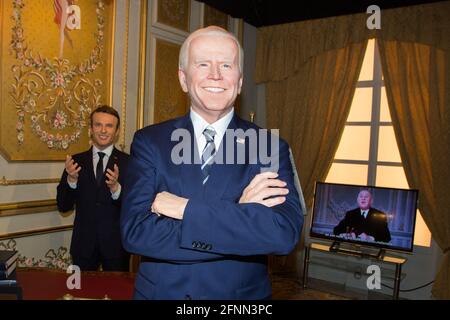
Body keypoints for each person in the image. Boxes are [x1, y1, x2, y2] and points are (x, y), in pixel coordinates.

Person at [120, 26, 303, 300]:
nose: (215, 74)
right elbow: (136, 233)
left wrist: (184, 209)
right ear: (183, 78)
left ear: (240, 82)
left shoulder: (269, 146)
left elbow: (283, 234)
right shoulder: (150, 142)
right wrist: (240, 213)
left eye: (226, 65)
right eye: (203, 63)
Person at [57, 105, 130, 271]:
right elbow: (63, 206)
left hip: (116, 247)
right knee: (80, 294)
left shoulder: (129, 163)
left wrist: (116, 189)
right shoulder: (75, 162)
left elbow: (134, 207)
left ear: (117, 131)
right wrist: (71, 180)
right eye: (98, 125)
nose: (103, 130)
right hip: (83, 246)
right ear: (90, 129)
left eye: (109, 126)